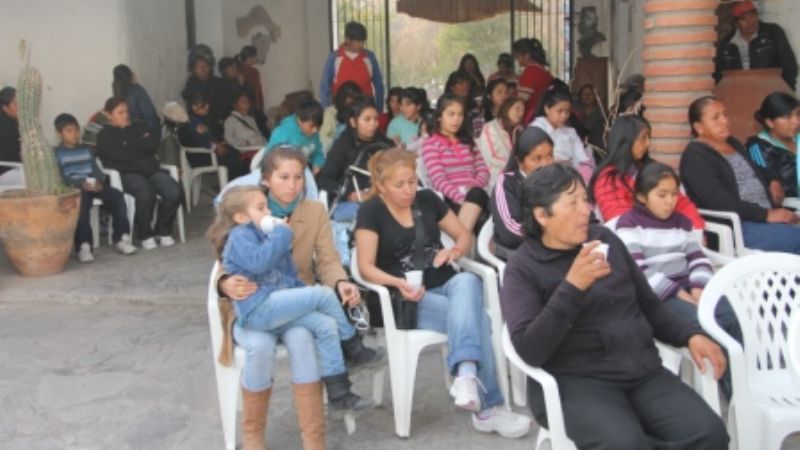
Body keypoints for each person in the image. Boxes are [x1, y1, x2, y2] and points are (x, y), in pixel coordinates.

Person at [501, 163, 730, 450]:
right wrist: (572, 287)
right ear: (542, 215)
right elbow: (529, 348)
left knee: (709, 433)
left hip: (642, 371)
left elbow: (648, 304)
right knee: (626, 445)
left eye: (585, 199)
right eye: (573, 203)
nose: (586, 210)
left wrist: (690, 335)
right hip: (577, 382)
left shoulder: (605, 239)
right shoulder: (523, 267)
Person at [354, 147, 532, 439]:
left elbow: (463, 234)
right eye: (399, 184)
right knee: (481, 321)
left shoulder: (427, 199)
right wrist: (398, 283)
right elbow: (366, 267)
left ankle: (465, 375)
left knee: (468, 283)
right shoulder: (371, 211)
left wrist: (455, 250)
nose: (409, 189)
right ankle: (486, 406)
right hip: (406, 296)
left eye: (412, 180)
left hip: (444, 281)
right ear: (381, 185)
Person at [216, 146, 366, 450]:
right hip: (254, 303)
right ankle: (254, 437)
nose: (292, 184)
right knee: (259, 347)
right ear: (267, 179)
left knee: (301, 340)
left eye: (299, 177)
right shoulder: (249, 209)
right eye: (283, 177)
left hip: (297, 302)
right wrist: (224, 284)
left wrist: (341, 282)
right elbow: (225, 261)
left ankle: (314, 441)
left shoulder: (314, 211)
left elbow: (327, 259)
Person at [209, 184, 381, 405]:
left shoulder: (272, 233)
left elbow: (290, 277)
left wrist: (305, 297)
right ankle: (353, 347)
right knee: (324, 295)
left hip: (279, 307)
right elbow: (259, 263)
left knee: (326, 324)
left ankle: (339, 390)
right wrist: (281, 234)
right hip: (258, 308)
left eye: (266, 207)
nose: (268, 213)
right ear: (241, 217)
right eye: (261, 208)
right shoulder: (240, 236)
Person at [613, 162, 741, 399]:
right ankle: (736, 393)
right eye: (661, 195)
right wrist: (677, 293)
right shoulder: (629, 224)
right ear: (642, 196)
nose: (669, 201)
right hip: (655, 295)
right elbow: (639, 270)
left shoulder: (682, 223)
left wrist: (699, 287)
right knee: (703, 323)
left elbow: (698, 258)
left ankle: (746, 380)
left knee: (733, 316)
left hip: (689, 287)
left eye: (673, 194)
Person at [681, 96, 800, 253]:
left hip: (767, 219)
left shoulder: (731, 142)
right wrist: (766, 214)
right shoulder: (695, 156)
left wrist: (773, 180)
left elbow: (756, 169)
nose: (724, 121)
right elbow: (718, 200)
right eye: (716, 117)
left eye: (725, 114)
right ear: (699, 127)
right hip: (738, 226)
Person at [96, 97, 182, 250]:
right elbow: (118, 156)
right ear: (109, 115)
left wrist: (128, 142)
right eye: (120, 112)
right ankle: (145, 233)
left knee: (173, 191)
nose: (125, 115)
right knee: (145, 192)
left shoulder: (139, 125)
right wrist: (138, 145)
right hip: (127, 173)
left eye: (126, 111)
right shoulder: (105, 135)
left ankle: (162, 230)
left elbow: (152, 145)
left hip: (150, 170)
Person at [589, 115, 704, 228]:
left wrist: (697, 229)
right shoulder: (608, 178)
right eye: (643, 138)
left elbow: (682, 203)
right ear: (626, 141)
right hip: (634, 238)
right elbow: (618, 219)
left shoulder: (654, 168)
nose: (648, 144)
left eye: (649, 138)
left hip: (670, 233)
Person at [53, 113, 137, 262]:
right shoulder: (57, 153)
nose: (75, 134)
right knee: (82, 202)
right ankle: (84, 246)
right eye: (69, 131)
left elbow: (97, 171)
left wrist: (99, 182)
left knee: (117, 195)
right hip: (76, 189)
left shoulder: (86, 150)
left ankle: (121, 238)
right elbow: (61, 177)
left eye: (76, 130)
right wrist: (79, 184)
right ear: (59, 134)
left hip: (93, 186)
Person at [422, 93, 490, 234]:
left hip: (475, 193)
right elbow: (439, 180)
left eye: (460, 115)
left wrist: (474, 186)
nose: (456, 119)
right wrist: (461, 198)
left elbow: (483, 170)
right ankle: (464, 245)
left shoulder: (468, 141)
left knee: (482, 198)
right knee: (483, 218)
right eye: (451, 114)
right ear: (440, 116)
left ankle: (459, 246)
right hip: (450, 199)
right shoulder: (431, 144)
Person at [317, 95, 393, 221]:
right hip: (349, 204)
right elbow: (324, 179)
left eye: (375, 119)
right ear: (353, 122)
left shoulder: (385, 144)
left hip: (381, 200)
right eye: (367, 120)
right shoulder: (342, 145)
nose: (373, 124)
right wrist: (349, 195)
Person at [490, 126, 554, 256]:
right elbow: (509, 232)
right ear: (519, 162)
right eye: (536, 159)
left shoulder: (558, 181)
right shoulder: (507, 183)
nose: (546, 164)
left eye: (549, 156)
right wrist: (551, 235)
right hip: (520, 256)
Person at [715, 0, 797, 90]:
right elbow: (720, 76)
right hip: (739, 93)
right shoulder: (727, 44)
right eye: (743, 18)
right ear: (736, 23)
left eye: (753, 15)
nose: (750, 21)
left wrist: (787, 91)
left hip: (771, 92)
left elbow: (789, 65)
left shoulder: (773, 33)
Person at [530, 86, 594, 183]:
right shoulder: (536, 129)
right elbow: (532, 161)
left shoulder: (570, 132)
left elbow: (582, 159)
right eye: (559, 111)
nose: (564, 116)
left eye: (567, 112)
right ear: (547, 109)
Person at [320, 21, 385, 112]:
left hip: (365, 108)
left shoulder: (370, 57)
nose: (361, 45)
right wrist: (325, 110)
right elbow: (325, 86)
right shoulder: (334, 57)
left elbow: (379, 85)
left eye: (363, 41)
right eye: (358, 41)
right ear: (347, 39)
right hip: (340, 110)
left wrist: (379, 109)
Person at [180, 92, 245, 180]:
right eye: (203, 105)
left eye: (207, 104)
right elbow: (201, 142)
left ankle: (233, 184)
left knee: (236, 153)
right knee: (233, 162)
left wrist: (218, 144)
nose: (207, 106)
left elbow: (208, 138)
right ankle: (229, 187)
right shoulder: (192, 123)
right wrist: (215, 147)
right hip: (200, 156)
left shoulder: (200, 119)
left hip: (207, 151)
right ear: (194, 107)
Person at [747, 92, 799, 200]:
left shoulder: (797, 138)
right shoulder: (760, 148)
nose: (796, 122)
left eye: (798, 114)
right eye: (787, 117)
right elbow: (768, 187)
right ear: (770, 122)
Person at [259, 98, 325, 174]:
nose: (315, 130)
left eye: (318, 127)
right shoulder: (282, 132)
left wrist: (317, 164)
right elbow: (270, 160)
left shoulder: (313, 133)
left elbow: (318, 153)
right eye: (311, 126)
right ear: (300, 120)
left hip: (304, 170)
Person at [476, 97, 526, 188]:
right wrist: (514, 165)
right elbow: (490, 157)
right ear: (507, 108)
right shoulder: (490, 127)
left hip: (515, 175)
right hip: (495, 176)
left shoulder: (520, 130)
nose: (521, 113)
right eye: (517, 109)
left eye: (523, 110)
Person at [181, 55, 229, 138]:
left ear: (210, 68)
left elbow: (224, 103)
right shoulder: (192, 84)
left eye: (205, 65)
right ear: (193, 70)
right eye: (199, 66)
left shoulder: (218, 82)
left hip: (217, 122)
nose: (203, 68)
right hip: (199, 124)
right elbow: (188, 97)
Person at [112, 64, 161, 140]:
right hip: (144, 134)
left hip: (128, 136)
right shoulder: (137, 91)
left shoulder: (117, 93)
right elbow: (150, 116)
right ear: (130, 75)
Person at [512, 38, 554, 124]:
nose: (516, 59)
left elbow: (521, 100)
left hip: (530, 118)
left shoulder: (531, 71)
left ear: (527, 55)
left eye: (517, 56)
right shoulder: (543, 71)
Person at [320, 81, 362, 153]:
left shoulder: (359, 111)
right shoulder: (330, 112)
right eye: (350, 97)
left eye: (355, 98)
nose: (352, 100)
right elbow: (324, 137)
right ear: (342, 97)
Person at [572, 84, 606, 151]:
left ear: (595, 96)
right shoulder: (575, 111)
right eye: (584, 94)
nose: (587, 96)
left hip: (596, 148)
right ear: (580, 97)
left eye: (590, 93)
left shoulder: (600, 112)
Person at [0, 87, 22, 185]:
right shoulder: (5, 126)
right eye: (15, 103)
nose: (19, 106)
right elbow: (13, 154)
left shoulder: (13, 122)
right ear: (5, 107)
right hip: (6, 170)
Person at [239, 46, 265, 112]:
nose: (256, 58)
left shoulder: (237, 68)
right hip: (251, 106)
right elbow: (256, 92)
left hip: (240, 106)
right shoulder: (253, 72)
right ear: (249, 57)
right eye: (255, 56)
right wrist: (259, 107)